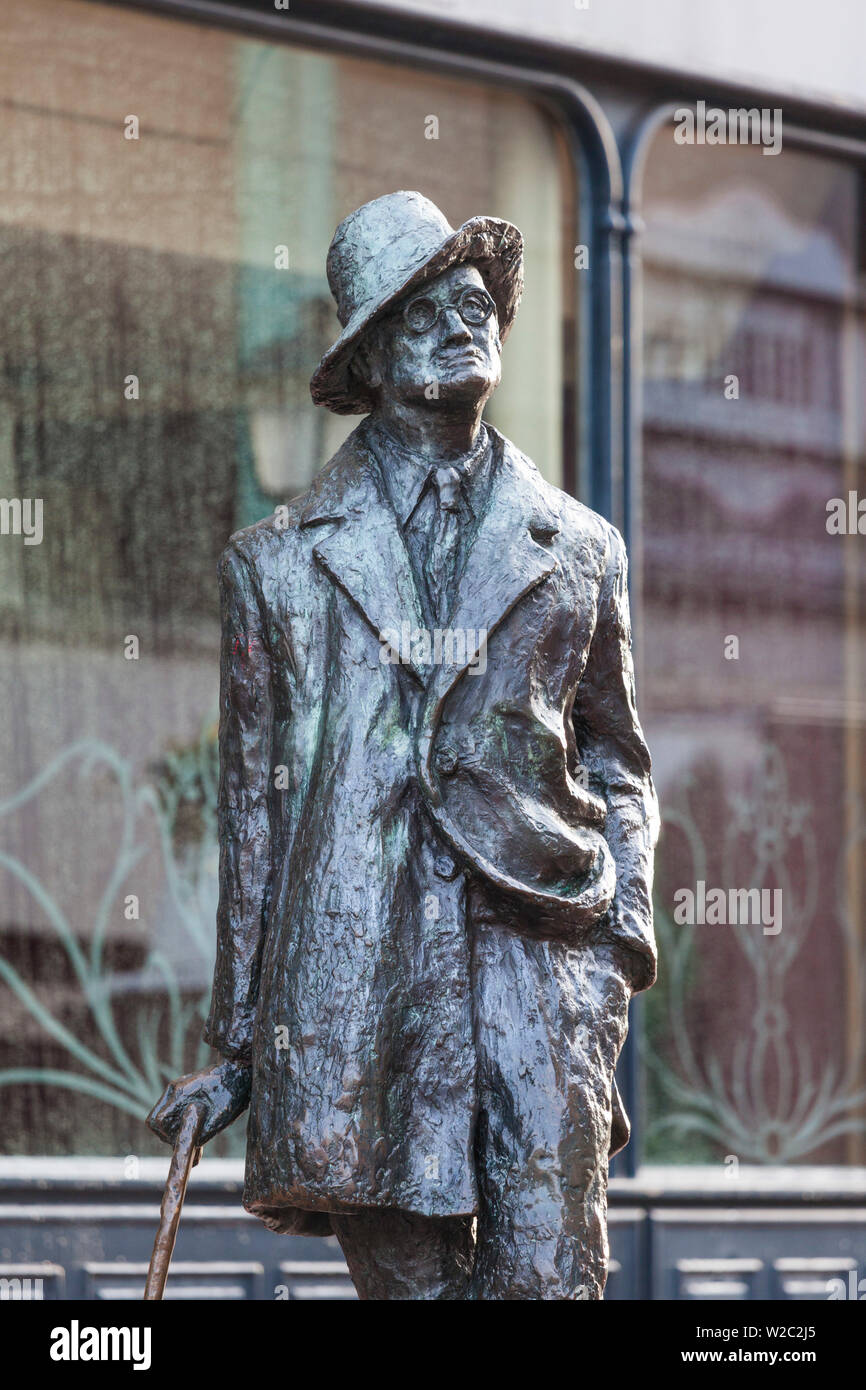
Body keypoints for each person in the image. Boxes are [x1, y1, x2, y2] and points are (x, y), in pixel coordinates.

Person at [148, 191, 659, 1300]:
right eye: (421, 308)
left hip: (538, 964)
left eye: (473, 301)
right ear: (368, 357)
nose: (460, 319)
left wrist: (615, 948)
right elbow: (255, 812)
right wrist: (238, 1051)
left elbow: (618, 759)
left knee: (547, 1285)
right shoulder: (275, 564)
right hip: (354, 984)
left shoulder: (578, 545)